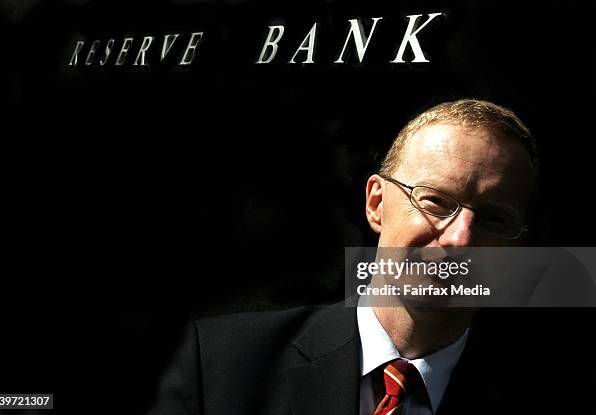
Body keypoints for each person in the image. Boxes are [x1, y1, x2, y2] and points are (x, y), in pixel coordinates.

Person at [149, 99, 545, 415]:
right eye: (437, 201)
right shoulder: (219, 365)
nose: (460, 239)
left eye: (494, 219)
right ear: (376, 203)